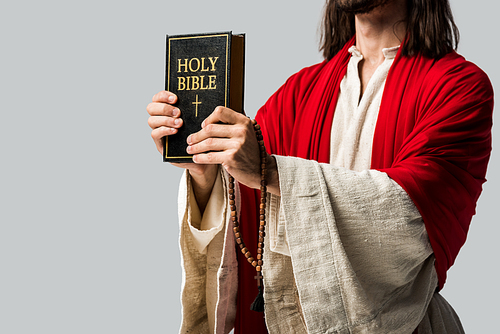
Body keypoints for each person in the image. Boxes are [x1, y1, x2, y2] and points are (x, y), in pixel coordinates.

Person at [147, 0, 493, 333]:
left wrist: (270, 172)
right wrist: (206, 169)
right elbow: (246, 199)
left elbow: (409, 211)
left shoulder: (460, 87)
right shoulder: (299, 91)